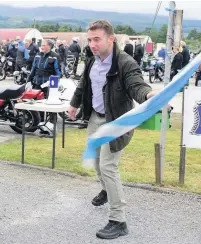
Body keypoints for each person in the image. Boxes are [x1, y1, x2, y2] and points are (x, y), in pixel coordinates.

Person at [67, 20, 157, 240]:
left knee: (108, 166)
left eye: (97, 39)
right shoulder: (91, 61)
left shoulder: (125, 63)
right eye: (89, 40)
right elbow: (83, 85)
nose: (92, 44)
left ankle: (118, 220)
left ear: (111, 39)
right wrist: (74, 103)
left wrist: (149, 95)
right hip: (95, 119)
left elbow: (136, 84)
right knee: (97, 162)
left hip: (117, 122)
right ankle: (107, 190)